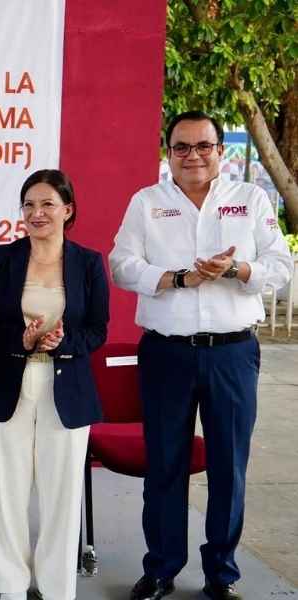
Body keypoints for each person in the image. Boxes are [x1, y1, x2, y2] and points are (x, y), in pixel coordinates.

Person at [109, 111, 293, 600]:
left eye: (203, 146)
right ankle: (162, 569)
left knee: (229, 468)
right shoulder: (147, 202)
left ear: (221, 151)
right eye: (182, 147)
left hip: (232, 354)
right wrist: (176, 279)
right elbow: (122, 266)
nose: (193, 156)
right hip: (166, 354)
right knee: (164, 465)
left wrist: (237, 269)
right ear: (168, 153)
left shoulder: (250, 199)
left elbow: (280, 267)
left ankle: (221, 575)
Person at [0, 169, 109, 600]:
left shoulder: (88, 262)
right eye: (29, 204)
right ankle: (10, 587)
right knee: (5, 491)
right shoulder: (2, 258)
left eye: (47, 204)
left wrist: (65, 340)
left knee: (62, 494)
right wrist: (22, 338)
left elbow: (98, 329)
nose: (37, 213)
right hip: (7, 381)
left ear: (68, 210)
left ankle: (56, 587)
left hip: (65, 385)